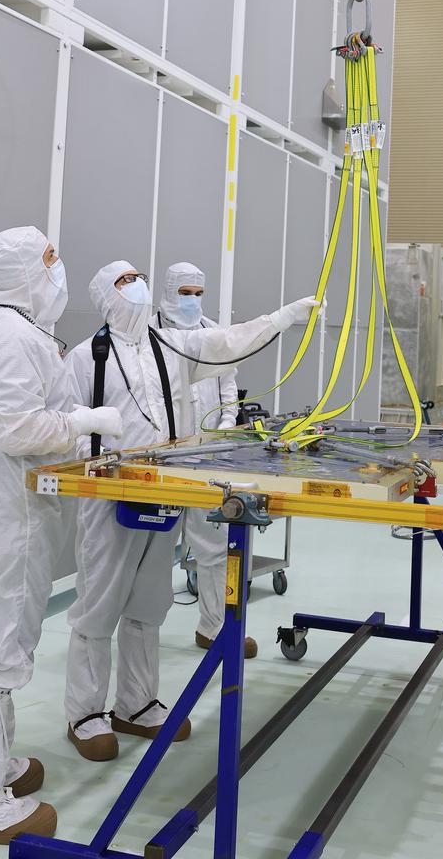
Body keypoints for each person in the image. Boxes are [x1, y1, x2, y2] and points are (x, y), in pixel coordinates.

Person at [64, 259, 318, 760]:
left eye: (137, 277)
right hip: (108, 499)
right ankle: (84, 714)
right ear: (103, 294)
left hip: (164, 493)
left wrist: (283, 317)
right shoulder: (84, 358)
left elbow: (230, 343)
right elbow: (66, 427)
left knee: (149, 602)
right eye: (123, 280)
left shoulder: (172, 348)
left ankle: (135, 705)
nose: (134, 286)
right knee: (99, 604)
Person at [0, 227, 123, 844]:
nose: (59, 277)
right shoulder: (13, 335)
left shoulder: (5, 329)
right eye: (51, 267)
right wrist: (86, 421)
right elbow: (17, 428)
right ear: (28, 277)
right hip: (7, 522)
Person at [155, 261, 252, 657]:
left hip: (208, 455)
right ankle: (142, 632)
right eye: (185, 293)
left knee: (214, 547)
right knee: (153, 550)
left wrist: (228, 426)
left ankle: (214, 629)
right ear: (168, 291)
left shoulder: (215, 334)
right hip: (161, 456)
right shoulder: (150, 334)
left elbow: (228, 387)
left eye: (198, 293)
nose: (193, 300)